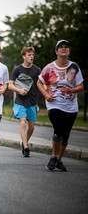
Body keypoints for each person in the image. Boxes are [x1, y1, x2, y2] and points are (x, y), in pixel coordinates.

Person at [37, 39, 84, 172]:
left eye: (66, 47)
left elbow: (81, 86)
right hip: (54, 104)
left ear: (69, 51)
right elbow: (39, 82)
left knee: (66, 135)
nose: (63, 49)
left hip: (71, 106)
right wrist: (46, 95)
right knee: (58, 130)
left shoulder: (74, 67)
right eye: (61, 47)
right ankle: (53, 156)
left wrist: (72, 90)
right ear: (57, 51)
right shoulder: (49, 67)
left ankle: (58, 160)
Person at [8, 46, 41, 157]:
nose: (31, 57)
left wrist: (46, 89)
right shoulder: (17, 69)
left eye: (32, 55)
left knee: (31, 127)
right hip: (20, 101)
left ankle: (23, 142)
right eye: (29, 55)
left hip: (32, 102)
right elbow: (10, 85)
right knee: (23, 122)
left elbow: (41, 84)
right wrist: (19, 90)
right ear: (23, 56)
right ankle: (26, 148)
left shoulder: (37, 70)